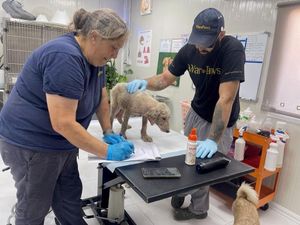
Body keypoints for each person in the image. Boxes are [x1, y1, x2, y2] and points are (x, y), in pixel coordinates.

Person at [0, 8, 134, 225]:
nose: (115, 55)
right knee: (35, 205)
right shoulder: (65, 57)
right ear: (94, 37)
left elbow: (101, 97)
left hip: (62, 143)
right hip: (31, 143)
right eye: (113, 47)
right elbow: (62, 123)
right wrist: (107, 151)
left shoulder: (96, 60)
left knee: (68, 197)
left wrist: (108, 130)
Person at [127, 8, 245, 221]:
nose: (199, 46)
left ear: (220, 34)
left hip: (221, 118)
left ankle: (199, 209)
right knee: (184, 158)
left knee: (205, 167)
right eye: (197, 40)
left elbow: (225, 98)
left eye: (205, 42)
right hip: (196, 111)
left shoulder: (232, 50)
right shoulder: (189, 50)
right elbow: (164, 79)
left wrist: (211, 139)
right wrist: (145, 82)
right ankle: (180, 192)